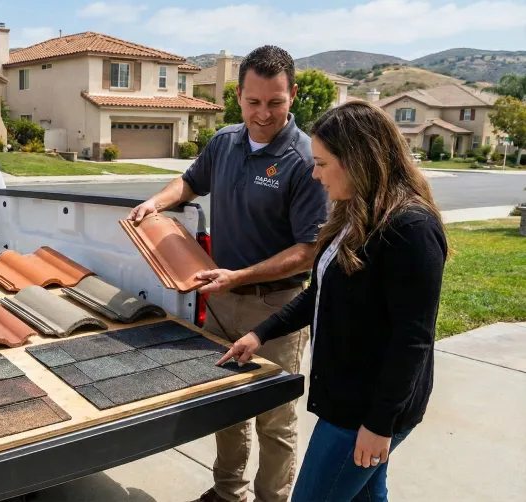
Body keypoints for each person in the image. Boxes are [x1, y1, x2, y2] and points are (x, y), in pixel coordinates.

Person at [129, 45, 329, 502]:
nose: (263, 113)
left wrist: (238, 277)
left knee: (274, 417)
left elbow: (308, 250)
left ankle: (272, 498)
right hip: (221, 300)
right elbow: (190, 182)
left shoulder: (304, 159)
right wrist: (156, 202)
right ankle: (228, 492)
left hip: (276, 307)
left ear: (293, 95)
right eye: (253, 101)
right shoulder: (224, 142)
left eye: (275, 101)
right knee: (227, 403)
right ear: (237, 96)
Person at [221, 100, 448, 501]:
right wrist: (260, 334)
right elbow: (320, 293)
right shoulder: (353, 214)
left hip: (364, 413)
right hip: (348, 401)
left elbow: (412, 340)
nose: (315, 174)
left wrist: (379, 424)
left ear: (358, 161)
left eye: (322, 164)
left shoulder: (411, 229)